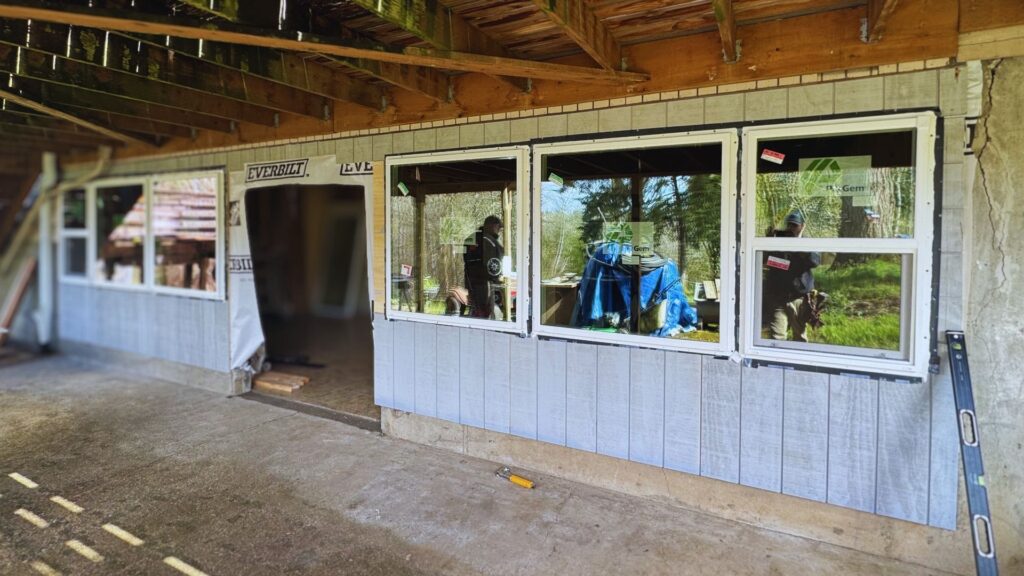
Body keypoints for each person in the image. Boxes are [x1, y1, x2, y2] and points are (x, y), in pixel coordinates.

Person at [764, 210, 820, 342]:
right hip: (778, 297)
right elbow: (768, 261)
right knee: (776, 337)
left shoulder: (808, 243)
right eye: (789, 225)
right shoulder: (778, 241)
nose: (791, 229)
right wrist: (769, 240)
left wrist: (798, 243)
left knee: (800, 336)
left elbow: (814, 261)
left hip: (799, 298)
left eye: (795, 225)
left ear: (802, 226)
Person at [463, 215, 505, 320]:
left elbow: (466, 260)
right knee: (484, 312)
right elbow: (495, 263)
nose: (499, 230)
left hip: (472, 282)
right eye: (498, 227)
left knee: (477, 309)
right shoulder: (489, 241)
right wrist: (498, 279)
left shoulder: (471, 238)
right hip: (486, 284)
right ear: (492, 225)